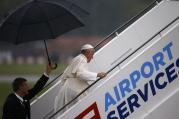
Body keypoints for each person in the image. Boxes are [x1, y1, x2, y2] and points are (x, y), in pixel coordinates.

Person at [54, 44, 107, 113]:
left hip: (70, 88)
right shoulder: (82, 59)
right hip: (73, 89)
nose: (92, 57)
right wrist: (97, 74)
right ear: (87, 53)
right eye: (92, 54)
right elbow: (80, 73)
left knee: (68, 111)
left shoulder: (78, 58)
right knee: (74, 112)